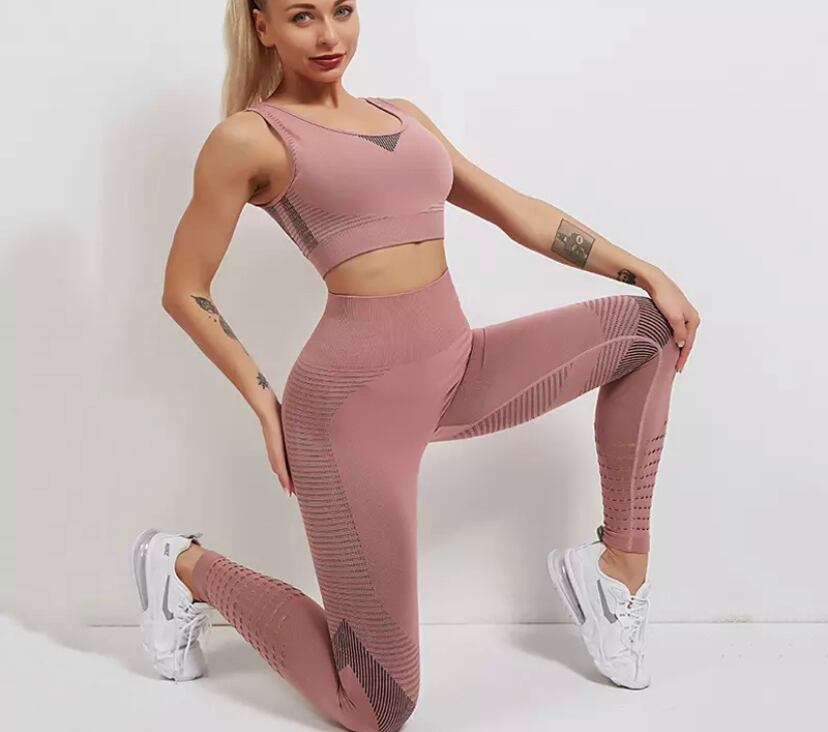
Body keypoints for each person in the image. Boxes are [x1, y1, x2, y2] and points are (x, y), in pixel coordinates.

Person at [130, 1, 701, 730]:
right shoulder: (251, 138)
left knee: (652, 328)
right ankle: (184, 567)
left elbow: (515, 210)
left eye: (342, 9)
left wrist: (644, 270)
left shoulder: (403, 116)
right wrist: (265, 399)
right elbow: (184, 287)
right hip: (351, 415)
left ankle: (615, 572)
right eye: (302, 16)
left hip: (458, 368)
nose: (329, 34)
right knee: (378, 706)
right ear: (262, 25)